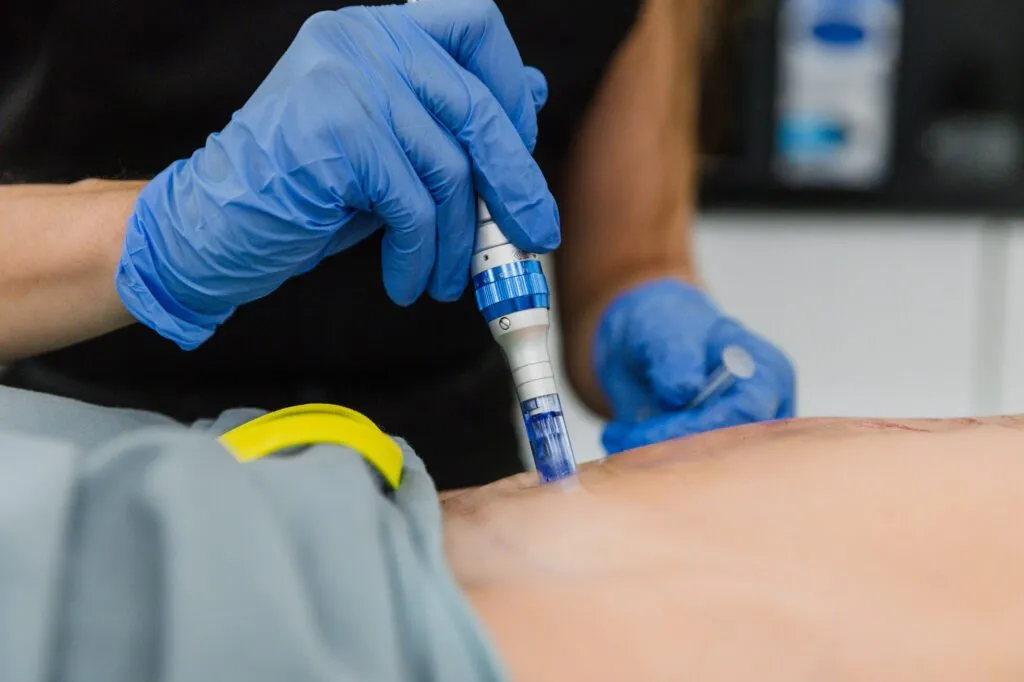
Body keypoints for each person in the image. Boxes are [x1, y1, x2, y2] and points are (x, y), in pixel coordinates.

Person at [0, 0, 795, 490]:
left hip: (454, 501)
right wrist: (160, 233)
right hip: (86, 484)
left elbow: (630, 256)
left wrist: (651, 313)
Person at [3, 384, 1024, 681]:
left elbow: (629, 245)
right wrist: (140, 232)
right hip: (189, 525)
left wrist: (647, 300)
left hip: (357, 488)